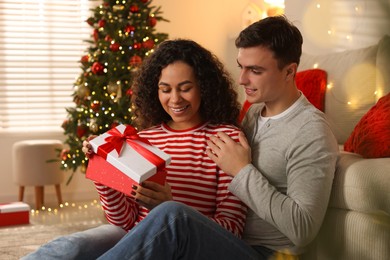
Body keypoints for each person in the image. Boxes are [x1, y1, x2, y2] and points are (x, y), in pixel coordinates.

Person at [92, 15, 339, 260]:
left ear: (289, 71)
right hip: (226, 243)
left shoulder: (310, 130)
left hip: (267, 254)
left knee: (174, 216)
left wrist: (242, 171)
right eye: (241, 66)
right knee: (84, 243)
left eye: (255, 70)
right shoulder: (254, 113)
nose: (242, 79)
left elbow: (303, 229)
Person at [22, 39, 247, 259]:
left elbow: (231, 229)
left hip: (186, 245)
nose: (175, 99)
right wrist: (103, 171)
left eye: (185, 88)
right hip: (135, 240)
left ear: (204, 87)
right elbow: (124, 222)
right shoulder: (142, 140)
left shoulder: (225, 139)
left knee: (168, 216)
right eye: (165, 89)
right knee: (71, 245)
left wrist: (172, 205)